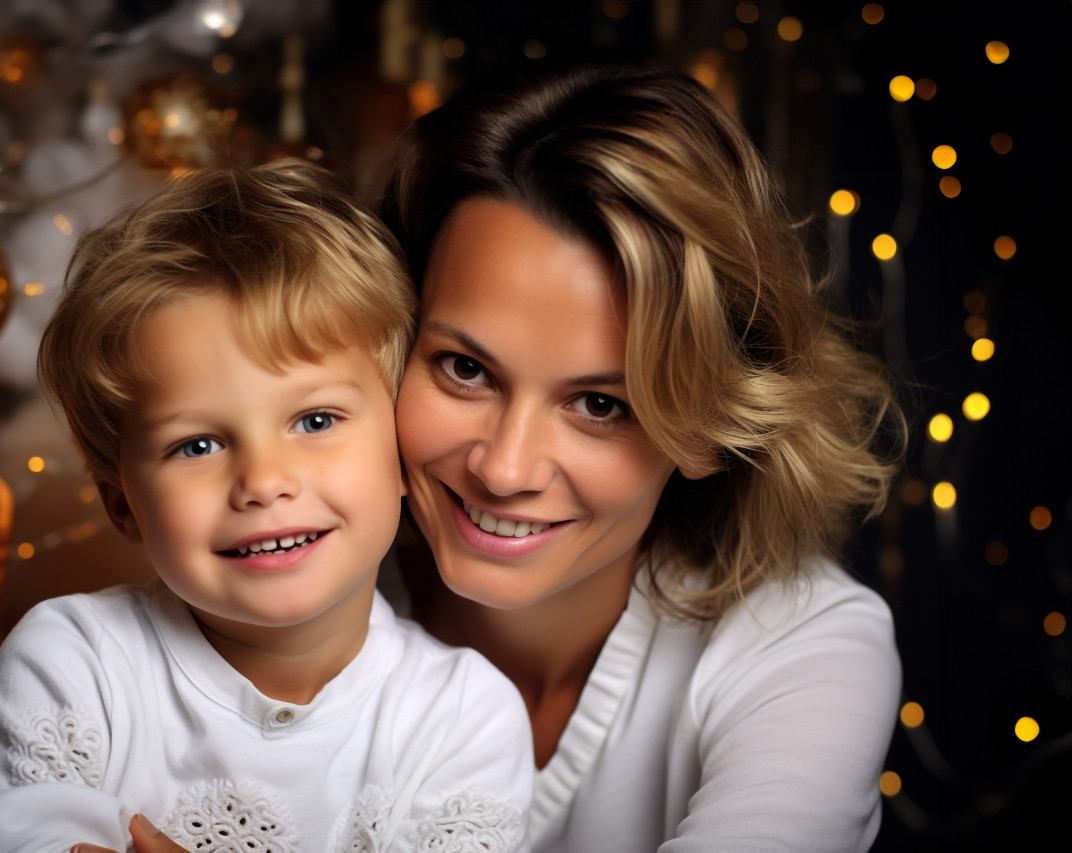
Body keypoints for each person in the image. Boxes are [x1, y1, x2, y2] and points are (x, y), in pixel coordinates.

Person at [87, 60, 906, 853]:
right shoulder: (263, 583)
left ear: (710, 429)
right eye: (465, 368)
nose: (505, 469)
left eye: (599, 405)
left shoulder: (804, 649)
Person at [0, 161, 534, 853]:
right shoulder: (72, 662)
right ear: (123, 504)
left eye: (315, 420)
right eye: (198, 444)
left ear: (400, 447)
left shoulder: (465, 721)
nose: (263, 481)